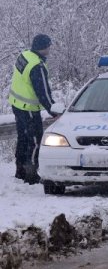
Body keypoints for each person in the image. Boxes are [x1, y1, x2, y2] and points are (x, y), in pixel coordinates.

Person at [8, 34, 59, 184]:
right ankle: (31, 175)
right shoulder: (37, 66)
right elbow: (43, 92)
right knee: (35, 140)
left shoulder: (24, 55)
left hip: (16, 104)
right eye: (48, 46)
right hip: (28, 107)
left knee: (23, 138)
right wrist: (53, 110)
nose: (50, 49)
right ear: (43, 48)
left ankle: (20, 170)